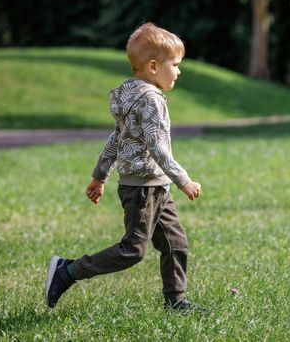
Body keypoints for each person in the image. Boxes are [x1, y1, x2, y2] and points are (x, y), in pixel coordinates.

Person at [45, 23, 205, 312]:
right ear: (154, 66)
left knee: (175, 243)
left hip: (155, 187)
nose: (179, 71)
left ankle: (176, 301)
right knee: (132, 250)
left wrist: (99, 175)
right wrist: (184, 180)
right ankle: (67, 271)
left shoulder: (130, 95)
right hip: (143, 190)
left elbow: (116, 139)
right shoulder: (151, 100)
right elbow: (158, 147)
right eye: (176, 64)